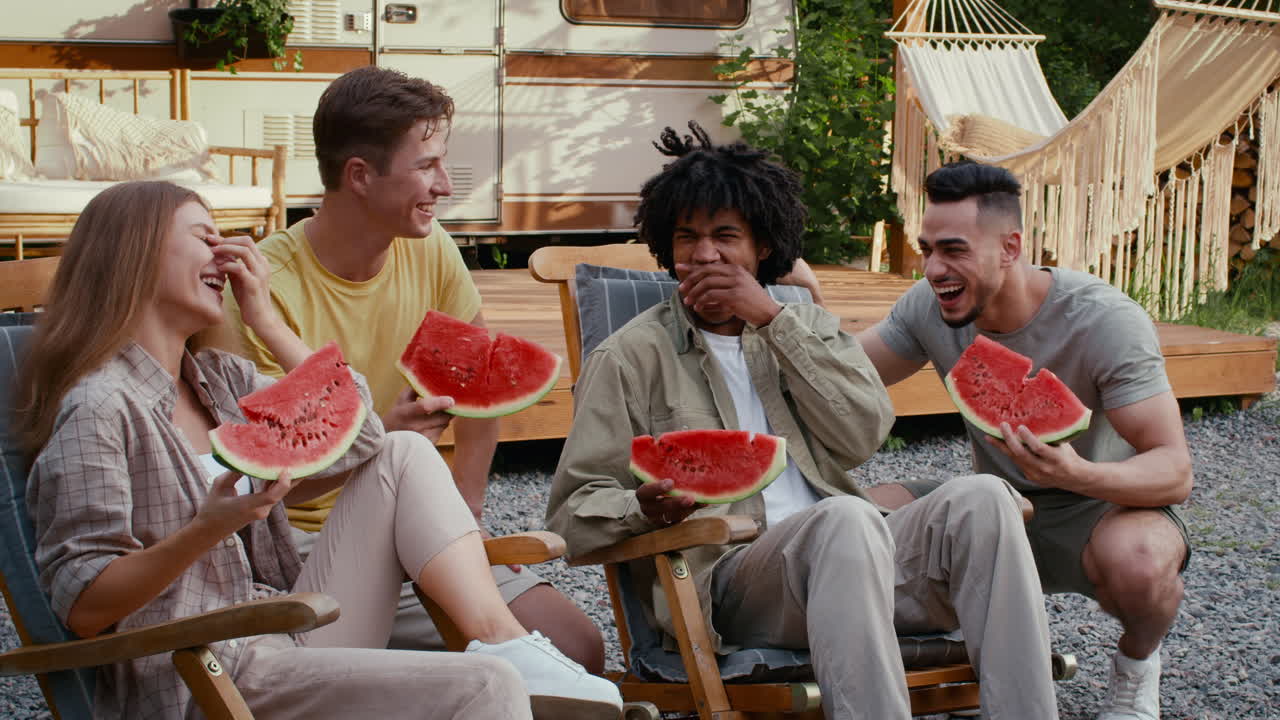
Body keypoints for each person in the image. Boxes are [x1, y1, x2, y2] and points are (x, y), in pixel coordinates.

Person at [16, 181, 622, 720]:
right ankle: (508, 660)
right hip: (200, 673)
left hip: (281, 630)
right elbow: (83, 604)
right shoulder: (99, 407)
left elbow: (363, 434)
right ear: (136, 253)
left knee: (404, 452)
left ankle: (505, 638)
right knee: (485, 685)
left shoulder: (218, 381)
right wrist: (205, 530)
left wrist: (266, 319)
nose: (226, 254)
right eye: (204, 238)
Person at [545, 123, 1059, 719]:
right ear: (667, 245)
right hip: (733, 586)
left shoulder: (805, 328)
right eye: (687, 238)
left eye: (725, 237)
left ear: (762, 247)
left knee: (984, 498)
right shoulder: (629, 358)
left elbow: (864, 433)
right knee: (845, 516)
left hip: (860, 563)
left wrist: (774, 321)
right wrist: (641, 509)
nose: (705, 255)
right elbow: (571, 514)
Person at [213, 65, 604, 669]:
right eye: (427, 166)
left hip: (421, 519)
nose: (445, 185)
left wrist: (466, 513)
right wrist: (374, 442)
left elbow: (478, 392)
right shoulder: (261, 293)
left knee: (579, 648)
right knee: (472, 675)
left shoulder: (431, 247)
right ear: (360, 176)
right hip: (306, 544)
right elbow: (254, 488)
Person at [856, 161, 1193, 720]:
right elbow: (845, 373)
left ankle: (1136, 668)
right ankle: (942, 651)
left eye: (954, 250)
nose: (934, 268)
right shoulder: (929, 305)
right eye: (927, 249)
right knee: (853, 517)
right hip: (994, 503)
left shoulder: (1103, 320)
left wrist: (1076, 473)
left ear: (1010, 248)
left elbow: (1174, 470)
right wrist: (773, 317)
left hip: (1100, 505)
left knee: (1139, 563)